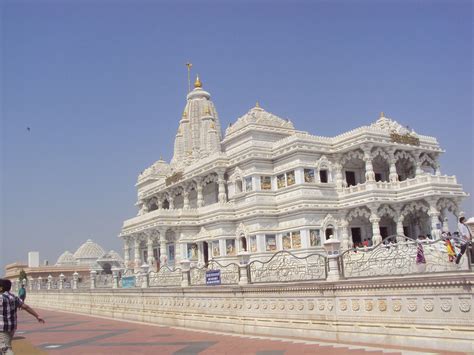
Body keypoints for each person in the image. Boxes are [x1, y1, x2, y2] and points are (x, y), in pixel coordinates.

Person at [0, 279, 45, 355]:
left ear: (1, 288)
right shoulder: (13, 297)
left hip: (2, 328)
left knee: (6, 349)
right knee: (4, 346)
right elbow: (26, 307)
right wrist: (37, 316)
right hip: (12, 327)